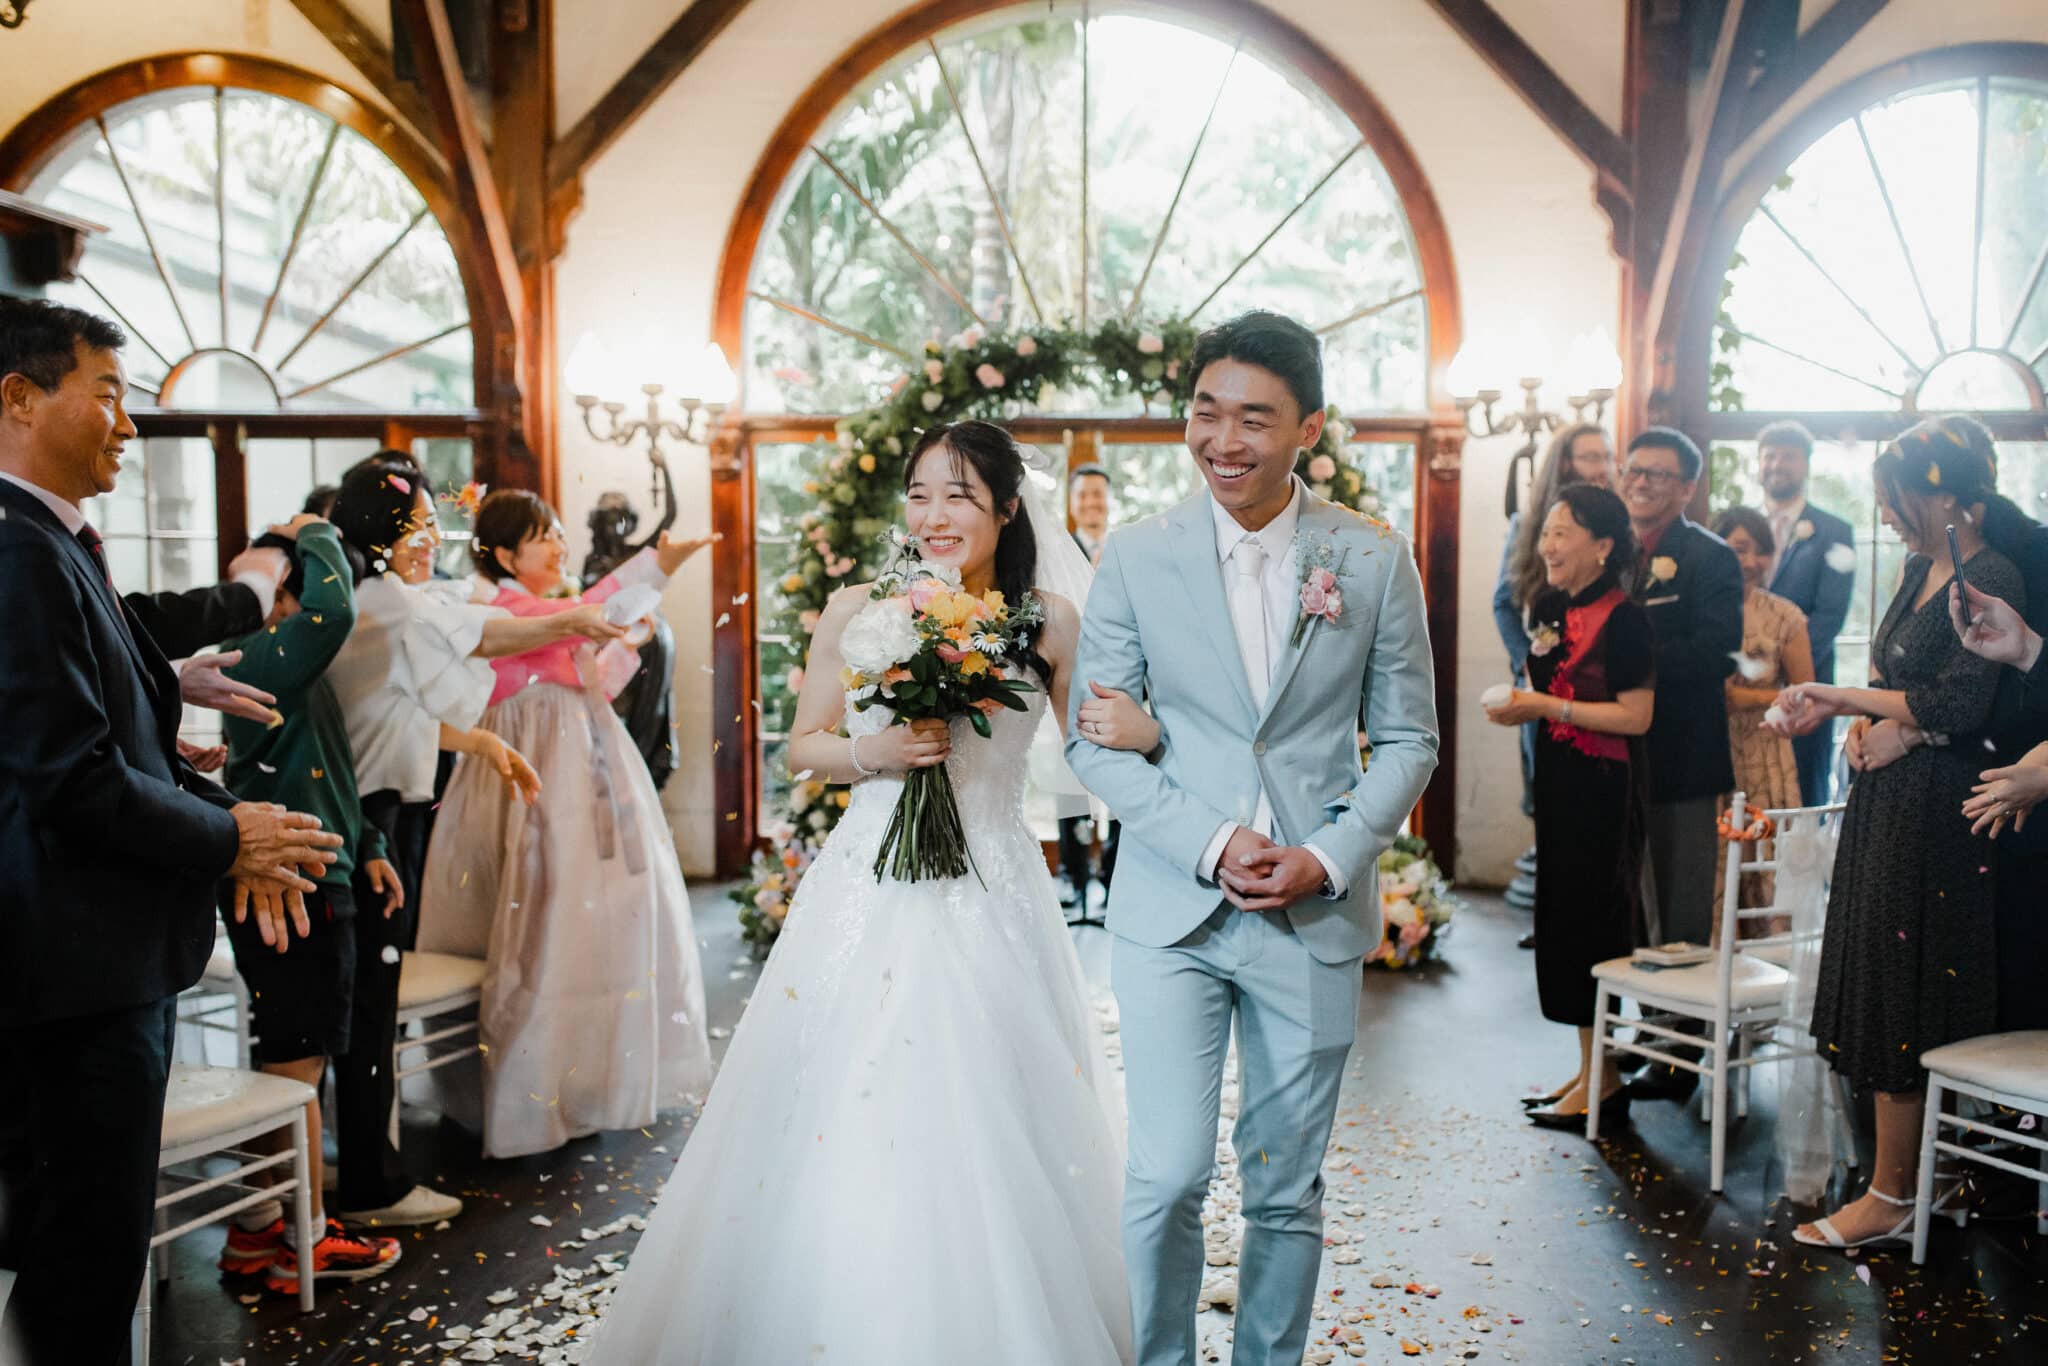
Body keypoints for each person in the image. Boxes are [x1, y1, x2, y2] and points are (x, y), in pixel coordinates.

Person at [591, 421, 1146, 1362]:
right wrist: (874, 752)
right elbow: (804, 745)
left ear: (1008, 509)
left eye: (961, 496)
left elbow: (1086, 748)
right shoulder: (858, 606)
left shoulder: (1047, 618)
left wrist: (1136, 731)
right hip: (868, 877)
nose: (935, 516)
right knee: (846, 1085)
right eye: (921, 493)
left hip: (995, 879)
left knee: (990, 1099)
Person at [1067, 311, 1439, 1366]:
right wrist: (1214, 838)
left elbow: (1410, 739)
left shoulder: (1367, 558)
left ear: (1307, 428)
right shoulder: (1136, 556)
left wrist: (1325, 854)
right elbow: (1094, 745)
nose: (1222, 441)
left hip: (1311, 912)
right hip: (1171, 908)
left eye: (1253, 419)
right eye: (1204, 412)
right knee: (1166, 1172)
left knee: (1284, 1183)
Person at [0, 298, 343, 1366]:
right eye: (106, 393)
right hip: (73, 975)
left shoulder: (47, 542)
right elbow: (66, 776)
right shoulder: (16, 549)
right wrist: (228, 834)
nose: (128, 424)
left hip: (96, 964)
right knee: (81, 1265)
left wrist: (163, 700)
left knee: (86, 1255)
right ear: (17, 396)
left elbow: (77, 720)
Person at [321, 459, 622, 1224]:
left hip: (377, 818)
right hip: (364, 819)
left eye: (432, 526)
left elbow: (412, 702)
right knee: (363, 1008)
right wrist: (568, 619)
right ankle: (368, 1184)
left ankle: (355, 1167)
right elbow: (484, 636)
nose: (430, 539)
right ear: (378, 534)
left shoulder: (384, 598)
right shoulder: (384, 603)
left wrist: (486, 747)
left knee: (363, 1001)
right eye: (416, 527)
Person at [1764, 418, 2025, 1251]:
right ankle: (1924, 1177)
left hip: (1939, 815)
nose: (1885, 516)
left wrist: (1851, 704)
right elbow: (1897, 679)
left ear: (1945, 491)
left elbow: (1957, 705)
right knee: (1878, 975)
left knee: (1908, 988)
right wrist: (1863, 719)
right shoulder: (1920, 567)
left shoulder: (1994, 574)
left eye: (1894, 499)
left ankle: (1892, 1194)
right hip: (1887, 803)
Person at [413, 490, 713, 1159]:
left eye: (554, 533)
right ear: (502, 553)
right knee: (536, 921)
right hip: (530, 762)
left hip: (588, 761)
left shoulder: (545, 605)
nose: (557, 545)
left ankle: (583, 1084)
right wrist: (655, 569)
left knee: (593, 923)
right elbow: (578, 617)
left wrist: (623, 631)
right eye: (541, 536)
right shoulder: (496, 605)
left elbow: (594, 676)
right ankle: (524, 1094)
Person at [209, 515, 406, 1295]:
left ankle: (260, 1232)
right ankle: (307, 1240)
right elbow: (338, 610)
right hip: (290, 885)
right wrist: (316, 528)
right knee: (299, 1063)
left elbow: (332, 766)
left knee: (292, 1054)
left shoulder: (290, 670)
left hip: (323, 870)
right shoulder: (261, 657)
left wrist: (370, 850)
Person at [1484, 483, 1652, 1130]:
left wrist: (1543, 707)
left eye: (1562, 533)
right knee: (1560, 927)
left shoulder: (1628, 619)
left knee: (1594, 927)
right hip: (1559, 783)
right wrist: (1521, 706)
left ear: (1603, 546)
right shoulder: (1551, 604)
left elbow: (1637, 718)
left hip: (1606, 792)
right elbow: (1545, 684)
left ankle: (1606, 1082)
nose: (1547, 546)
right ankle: (1590, 1070)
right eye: (1546, 532)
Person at [1491, 423, 1615, 944]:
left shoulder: (1616, 524)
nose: (1603, 466)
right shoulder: (1527, 524)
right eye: (1591, 457)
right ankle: (1552, 916)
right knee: (1548, 796)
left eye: (1608, 456)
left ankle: (1597, 913)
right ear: (1564, 464)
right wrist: (1526, 663)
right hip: (1541, 685)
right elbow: (1503, 601)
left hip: (1603, 689)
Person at [1710, 505, 1813, 916]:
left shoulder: (1785, 616)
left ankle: (1770, 956)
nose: (1751, 562)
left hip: (1766, 754)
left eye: (1761, 551)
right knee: (1716, 859)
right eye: (1738, 549)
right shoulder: (1704, 610)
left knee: (1764, 854)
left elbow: (1806, 694)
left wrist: (1746, 699)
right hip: (1711, 749)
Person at [1756, 421, 1855, 803]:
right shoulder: (1739, 528)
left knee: (1802, 792)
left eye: (1788, 457)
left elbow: (1830, 613)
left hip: (1804, 683)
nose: (1777, 464)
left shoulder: (1835, 531)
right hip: (1742, 687)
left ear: (1806, 465)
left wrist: (1782, 669)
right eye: (1770, 456)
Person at [1059, 462, 1119, 905]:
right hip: (1070, 678)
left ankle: (1116, 874)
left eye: (1098, 495)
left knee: (1121, 781)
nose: (1091, 503)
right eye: (1084, 496)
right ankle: (1074, 873)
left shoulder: (1124, 549)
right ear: (1073, 503)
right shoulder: (1059, 554)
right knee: (1069, 780)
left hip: (1119, 683)